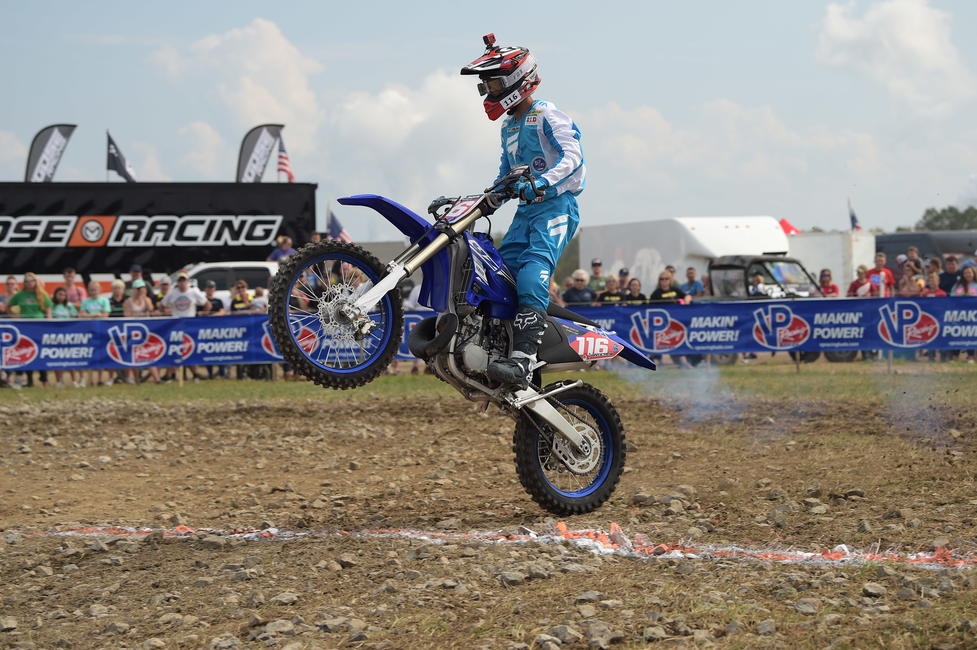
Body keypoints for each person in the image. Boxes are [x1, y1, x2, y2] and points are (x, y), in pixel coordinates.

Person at [462, 34, 585, 387]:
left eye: (494, 82)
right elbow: (505, 174)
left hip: (556, 207)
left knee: (532, 276)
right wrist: (484, 199)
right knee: (497, 276)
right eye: (485, 84)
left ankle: (524, 360)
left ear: (518, 80)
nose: (488, 90)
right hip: (527, 212)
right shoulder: (510, 126)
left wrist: (542, 183)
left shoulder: (546, 114)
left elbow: (574, 159)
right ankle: (494, 349)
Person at [79, 282, 111, 387]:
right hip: (88, 331)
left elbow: (105, 315)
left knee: (101, 354)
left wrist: (90, 316)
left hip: (101, 331)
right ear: (88, 290)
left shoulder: (104, 301)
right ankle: (88, 379)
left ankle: (100, 379)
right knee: (87, 354)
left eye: (95, 289)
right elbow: (82, 315)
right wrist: (96, 315)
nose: (94, 291)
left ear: (100, 289)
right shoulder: (85, 302)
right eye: (92, 289)